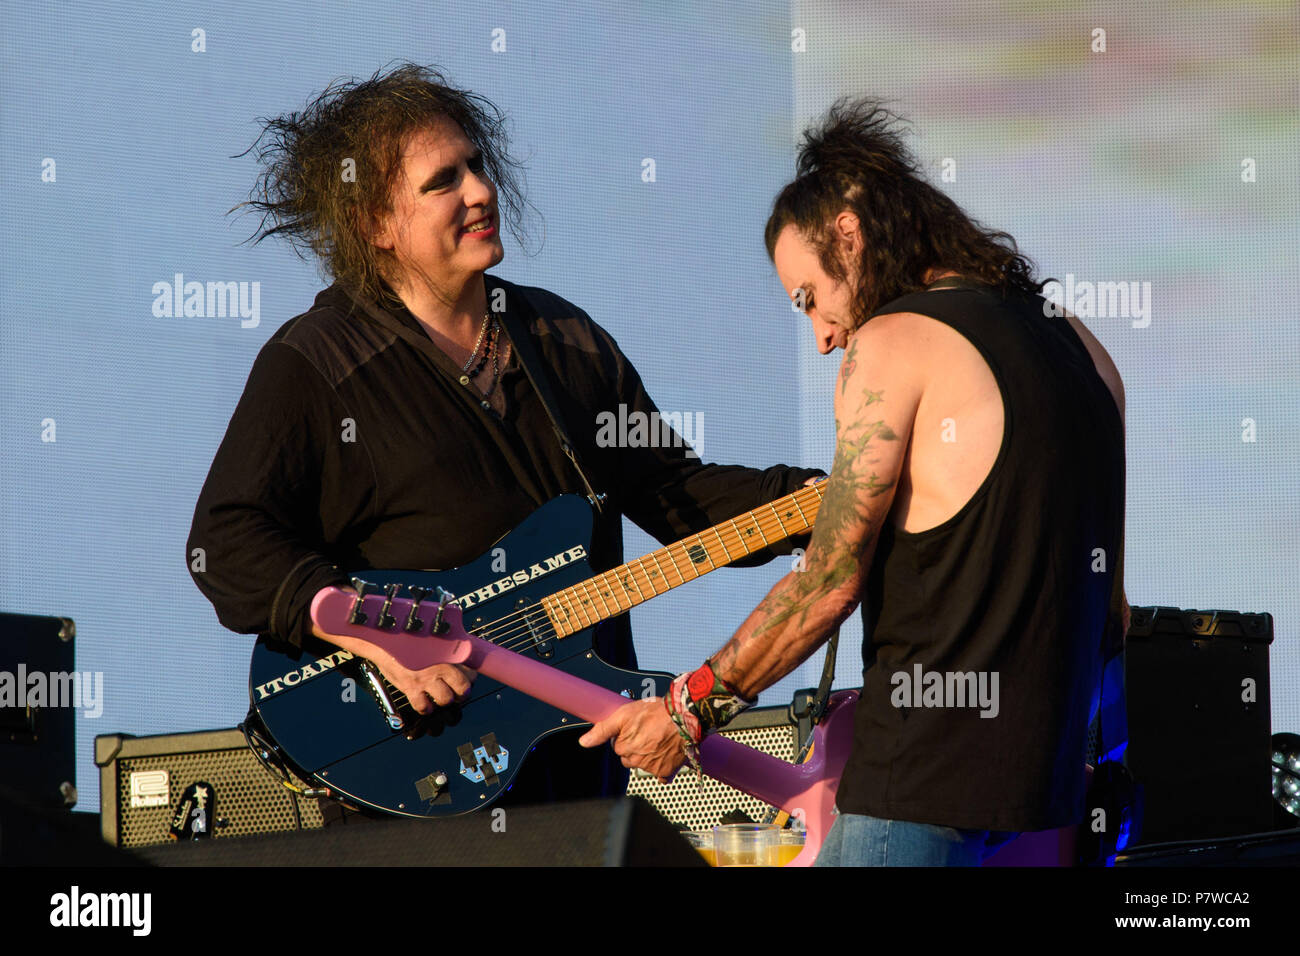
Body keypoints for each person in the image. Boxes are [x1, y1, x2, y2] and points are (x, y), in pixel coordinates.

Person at [186, 63, 822, 807]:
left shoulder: (563, 338)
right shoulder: (317, 362)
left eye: (478, 166)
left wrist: (821, 500)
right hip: (418, 770)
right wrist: (377, 635)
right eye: (442, 181)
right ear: (374, 225)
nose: (481, 191)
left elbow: (673, 494)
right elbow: (226, 542)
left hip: (576, 760)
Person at [580, 98, 1129, 865]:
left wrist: (684, 710)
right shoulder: (1081, 345)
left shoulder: (893, 345)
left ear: (848, 231)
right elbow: (1112, 608)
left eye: (808, 298)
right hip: (1042, 798)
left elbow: (827, 586)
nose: (822, 334)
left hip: (918, 784)